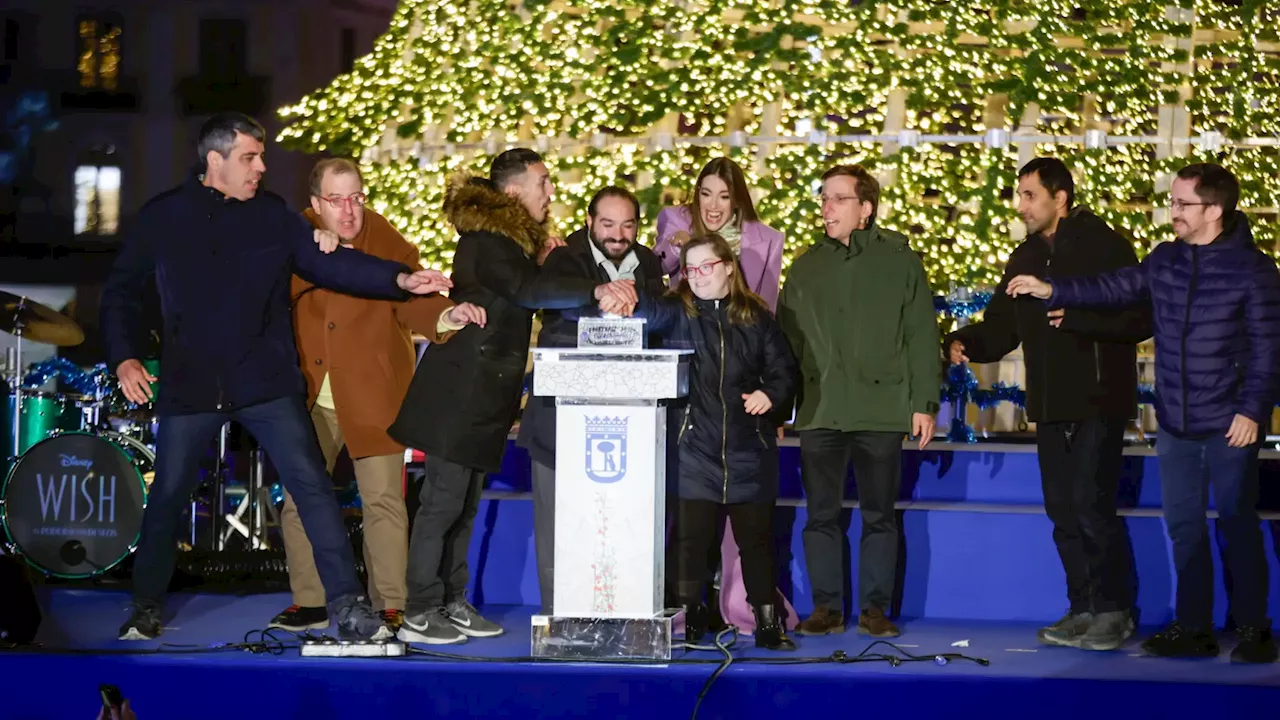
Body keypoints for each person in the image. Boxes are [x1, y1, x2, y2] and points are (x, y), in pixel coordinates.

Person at [100, 112, 447, 641]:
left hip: (265, 381)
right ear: (214, 161)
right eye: (249, 157)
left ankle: (349, 605)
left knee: (312, 489)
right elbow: (121, 290)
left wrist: (399, 278)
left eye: (261, 156)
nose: (262, 166)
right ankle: (145, 608)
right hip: (191, 384)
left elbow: (334, 266)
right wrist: (124, 356)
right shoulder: (164, 217)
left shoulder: (275, 217)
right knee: (167, 495)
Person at [1007, 162, 1280, 663]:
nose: (1172, 212)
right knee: (1184, 528)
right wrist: (1054, 290)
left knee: (1237, 524)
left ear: (1214, 210)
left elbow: (1269, 349)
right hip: (1176, 421)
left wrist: (1253, 411)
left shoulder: (1254, 270)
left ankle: (1255, 628)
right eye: (1172, 202)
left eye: (1183, 204)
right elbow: (1115, 287)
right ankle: (1194, 627)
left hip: (1230, 423)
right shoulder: (1165, 260)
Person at [388, 149, 638, 645]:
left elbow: (524, 282)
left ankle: (451, 600)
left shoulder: (512, 244)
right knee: (441, 503)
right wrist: (597, 291)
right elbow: (525, 290)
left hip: (485, 396)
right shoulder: (488, 240)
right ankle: (419, 609)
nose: (551, 191)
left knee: (465, 505)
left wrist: (544, 260)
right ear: (512, 192)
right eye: (543, 182)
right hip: (456, 393)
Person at [268, 158, 486, 633]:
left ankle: (391, 602)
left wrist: (447, 318)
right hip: (309, 390)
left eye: (356, 198)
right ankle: (311, 600)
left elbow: (414, 297)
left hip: (373, 389)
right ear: (314, 203)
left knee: (384, 500)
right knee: (301, 501)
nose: (348, 211)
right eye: (336, 200)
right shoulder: (292, 235)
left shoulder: (387, 239)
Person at [946, 157, 1151, 650]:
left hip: (1099, 399)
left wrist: (1077, 318)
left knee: (1090, 506)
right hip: (1049, 402)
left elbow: (1140, 319)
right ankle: (1081, 607)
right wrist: (964, 343)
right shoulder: (1024, 256)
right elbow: (1003, 325)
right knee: (1062, 511)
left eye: (1029, 195)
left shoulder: (1107, 246)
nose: (1021, 206)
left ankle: (1113, 610)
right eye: (1019, 195)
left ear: (1060, 198)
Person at [778, 164, 940, 638]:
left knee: (879, 515)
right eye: (824, 197)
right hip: (820, 409)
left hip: (882, 407)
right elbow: (787, 345)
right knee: (820, 514)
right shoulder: (807, 266)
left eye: (838, 198)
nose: (826, 207)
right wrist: (784, 405)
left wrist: (923, 402)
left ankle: (874, 608)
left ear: (865, 209)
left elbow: (921, 335)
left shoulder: (900, 261)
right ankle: (826, 608)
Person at [653, 156, 793, 632]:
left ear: (728, 267)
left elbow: (784, 369)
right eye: (690, 269)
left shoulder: (755, 317)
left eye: (706, 267)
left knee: (755, 541)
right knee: (691, 541)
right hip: (694, 447)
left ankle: (767, 619)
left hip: (748, 448)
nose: (697, 275)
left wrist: (772, 397)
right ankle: (689, 617)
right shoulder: (676, 314)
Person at [514, 185, 666, 614]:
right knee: (559, 528)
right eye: (608, 224)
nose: (618, 234)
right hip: (560, 428)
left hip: (630, 427)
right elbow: (555, 312)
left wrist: (637, 310)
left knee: (619, 528)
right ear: (589, 223)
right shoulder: (564, 260)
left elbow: (663, 320)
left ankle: (622, 611)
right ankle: (558, 615)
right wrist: (605, 302)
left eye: (628, 225)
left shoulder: (650, 264)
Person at [653, 157, 785, 310]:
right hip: (688, 327)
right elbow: (655, 269)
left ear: (736, 199)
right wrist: (676, 246)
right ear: (698, 193)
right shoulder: (676, 219)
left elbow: (767, 309)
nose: (713, 205)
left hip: (741, 329)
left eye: (724, 197)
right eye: (706, 194)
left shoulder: (770, 239)